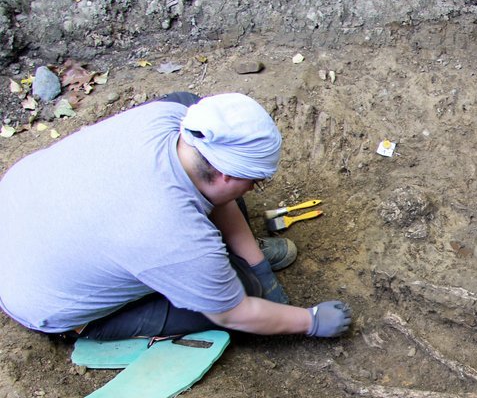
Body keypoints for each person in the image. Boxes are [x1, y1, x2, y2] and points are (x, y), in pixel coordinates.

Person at [0, 92, 351, 341]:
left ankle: (240, 260)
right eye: (254, 181)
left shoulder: (171, 116)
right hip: (43, 301)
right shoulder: (175, 238)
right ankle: (90, 328)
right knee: (245, 290)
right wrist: (310, 320)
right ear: (226, 173)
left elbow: (219, 192)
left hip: (21, 209)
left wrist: (256, 260)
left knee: (233, 263)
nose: (255, 188)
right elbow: (235, 313)